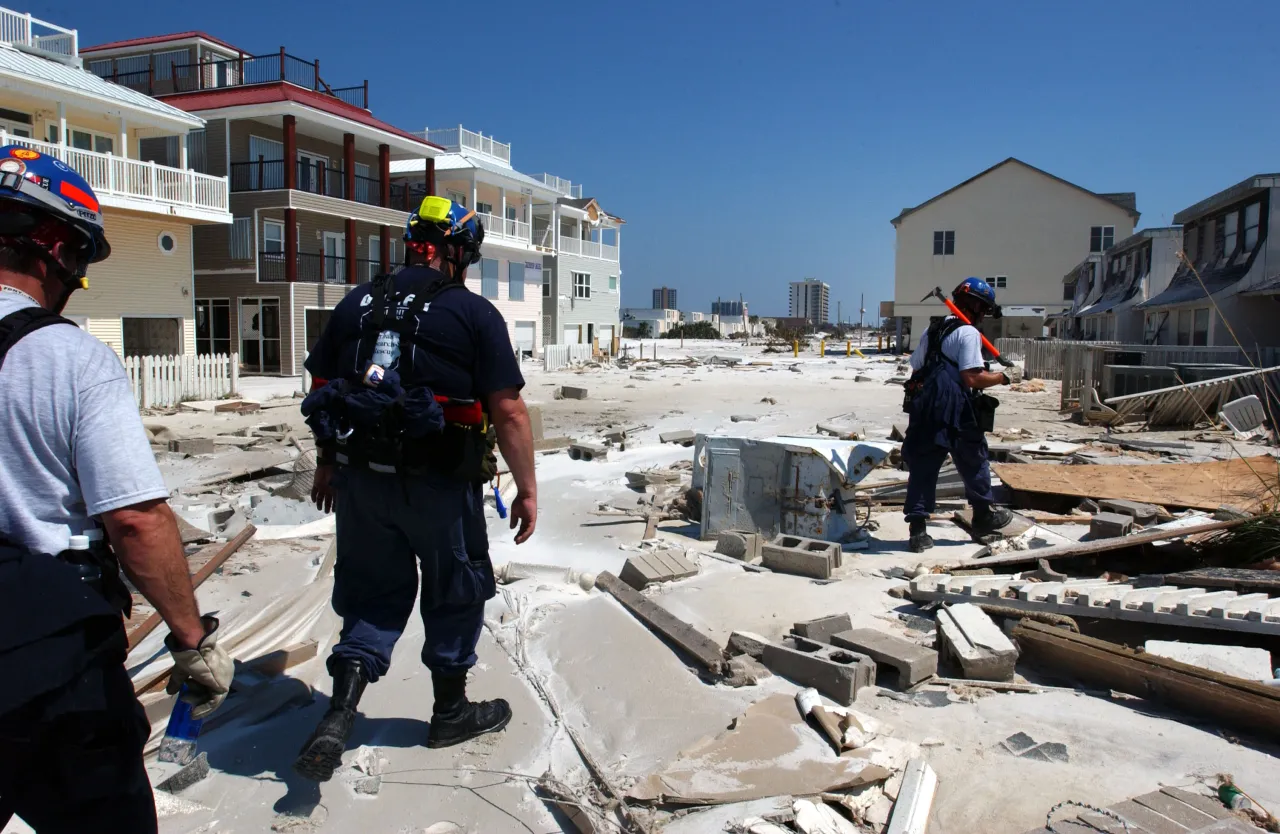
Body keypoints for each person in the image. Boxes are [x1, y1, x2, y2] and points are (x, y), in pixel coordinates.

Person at [0, 145, 233, 833]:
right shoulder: (66, 357)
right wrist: (190, 639)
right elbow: (135, 521)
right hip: (44, 657)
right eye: (79, 261)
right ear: (54, 247)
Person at [294, 195, 538, 782]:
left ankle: (340, 712)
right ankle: (450, 713)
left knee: (372, 593)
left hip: (361, 482)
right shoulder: (473, 314)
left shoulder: (357, 304)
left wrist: (328, 462)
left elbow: (324, 388)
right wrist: (527, 489)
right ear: (455, 251)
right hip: (439, 485)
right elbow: (507, 411)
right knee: (455, 589)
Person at [902, 277, 1013, 553]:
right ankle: (983, 517)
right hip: (956, 406)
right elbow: (972, 377)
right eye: (984, 309)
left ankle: (917, 531)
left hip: (926, 404)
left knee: (923, 464)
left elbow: (916, 365)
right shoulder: (969, 334)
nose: (984, 315)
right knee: (973, 458)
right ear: (975, 306)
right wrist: (1002, 377)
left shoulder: (934, 329)